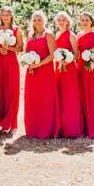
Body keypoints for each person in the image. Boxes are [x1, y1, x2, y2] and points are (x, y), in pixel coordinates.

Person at [23, 11, 59, 139]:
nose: (37, 22)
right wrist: (30, 63)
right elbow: (27, 52)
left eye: (39, 20)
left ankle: (46, 129)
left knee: (45, 98)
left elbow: (52, 54)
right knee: (33, 98)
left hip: (44, 71)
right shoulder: (30, 35)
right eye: (35, 20)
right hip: (32, 72)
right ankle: (33, 128)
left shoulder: (48, 35)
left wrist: (39, 64)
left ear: (44, 21)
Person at [54, 11, 84, 138]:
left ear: (68, 21)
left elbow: (76, 55)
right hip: (58, 68)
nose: (61, 22)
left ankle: (72, 128)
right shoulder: (56, 34)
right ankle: (61, 127)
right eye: (59, 20)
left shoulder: (71, 35)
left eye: (63, 20)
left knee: (70, 96)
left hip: (69, 69)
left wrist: (66, 60)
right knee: (60, 96)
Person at [0, 6, 22, 134]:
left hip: (11, 63)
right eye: (3, 15)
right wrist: (0, 49)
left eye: (7, 15)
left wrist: (8, 48)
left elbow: (21, 48)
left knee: (12, 91)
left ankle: (13, 124)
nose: (5, 17)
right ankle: (3, 123)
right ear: (0, 16)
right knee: (0, 91)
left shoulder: (17, 30)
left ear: (11, 16)